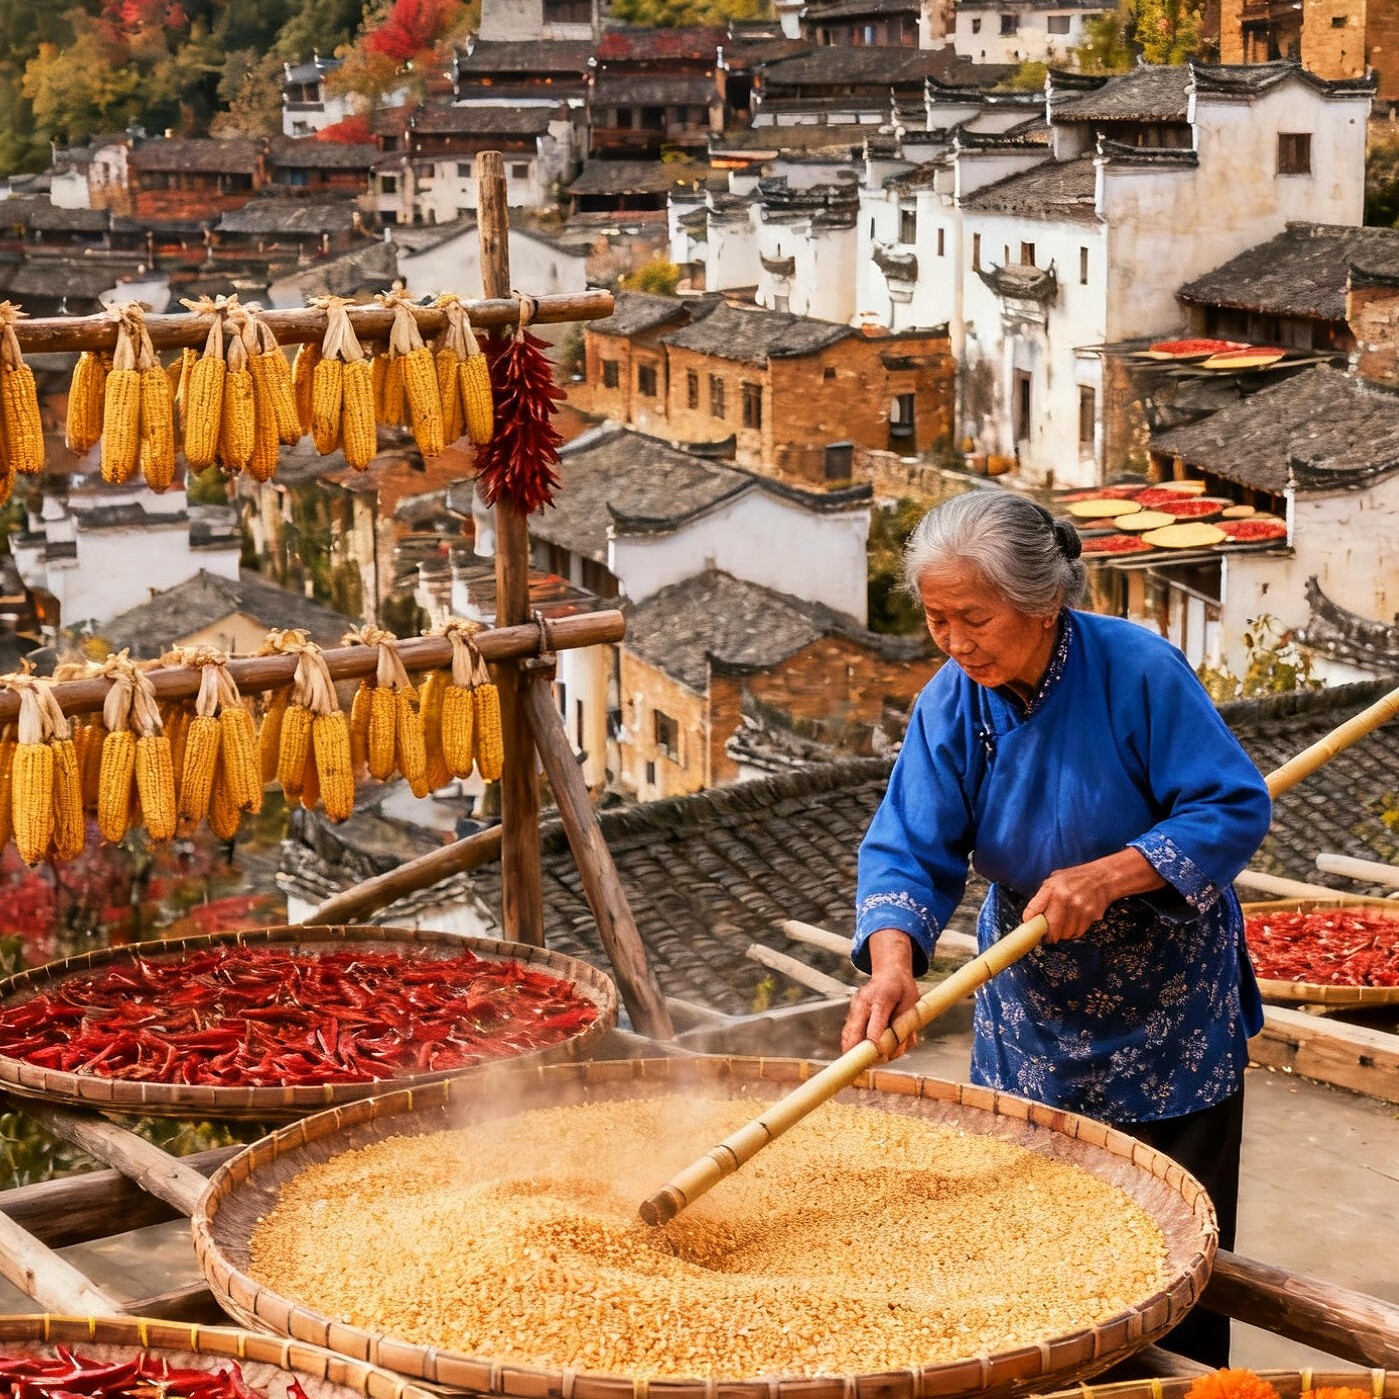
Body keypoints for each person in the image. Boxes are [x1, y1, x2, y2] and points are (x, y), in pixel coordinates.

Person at [841, 491, 1272, 1368]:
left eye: (974, 618)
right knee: (1036, 1237)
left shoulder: (1139, 671)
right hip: (1030, 1000)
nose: (954, 642)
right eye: (935, 619)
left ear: (1041, 603)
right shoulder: (951, 702)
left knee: (1174, 1244)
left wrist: (1110, 874)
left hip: (1166, 1005)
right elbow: (907, 845)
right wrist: (891, 962)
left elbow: (1230, 805)